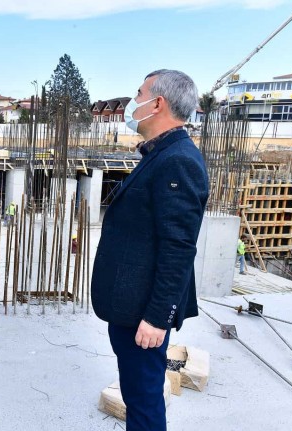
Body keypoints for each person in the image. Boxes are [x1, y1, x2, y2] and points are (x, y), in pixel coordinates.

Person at [91, 70, 209, 431]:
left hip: (143, 311)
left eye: (138, 93)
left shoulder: (178, 161)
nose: (132, 101)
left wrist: (158, 317)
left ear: (157, 103)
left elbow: (178, 247)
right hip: (130, 306)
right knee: (136, 393)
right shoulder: (160, 154)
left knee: (143, 403)